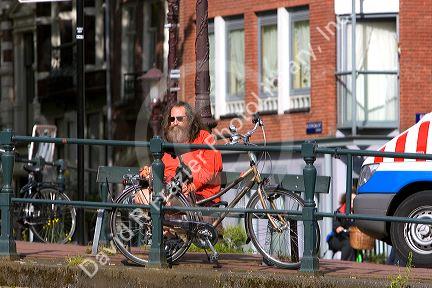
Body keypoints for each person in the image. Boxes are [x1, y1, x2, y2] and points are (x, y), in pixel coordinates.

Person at [134, 101, 223, 206]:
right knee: (140, 195)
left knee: (163, 201)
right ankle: (147, 220)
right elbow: (166, 172)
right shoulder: (170, 145)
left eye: (179, 119)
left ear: (190, 121)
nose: (175, 122)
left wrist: (189, 186)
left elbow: (209, 171)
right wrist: (150, 173)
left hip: (201, 196)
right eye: (172, 119)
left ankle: (154, 219)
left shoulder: (205, 138)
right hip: (173, 192)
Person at [327, 194, 355, 261]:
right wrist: (338, 227)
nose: (353, 202)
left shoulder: (357, 212)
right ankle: (344, 263)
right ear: (346, 200)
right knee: (348, 243)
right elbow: (335, 223)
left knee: (353, 243)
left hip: (353, 238)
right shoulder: (340, 211)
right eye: (351, 200)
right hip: (337, 238)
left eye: (355, 200)